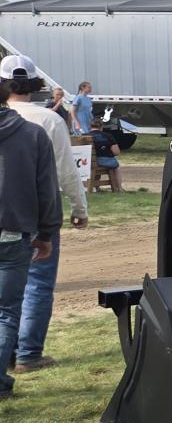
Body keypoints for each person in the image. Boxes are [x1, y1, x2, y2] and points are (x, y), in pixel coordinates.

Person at [1, 55, 85, 378]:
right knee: (37, 285)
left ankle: (8, 356)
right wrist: (79, 208)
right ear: (35, 84)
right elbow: (65, 173)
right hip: (35, 216)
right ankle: (28, 353)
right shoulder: (48, 121)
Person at [0, 91, 59, 401]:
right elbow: (47, 189)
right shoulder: (34, 134)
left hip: (15, 233)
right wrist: (47, 233)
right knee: (6, 312)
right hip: (14, 233)